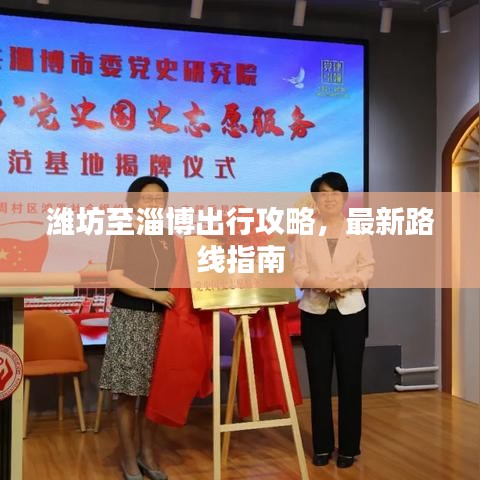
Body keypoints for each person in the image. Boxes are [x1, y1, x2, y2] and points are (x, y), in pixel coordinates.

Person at [293, 172, 374, 469]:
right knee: (318, 381)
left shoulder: (358, 230)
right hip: (315, 312)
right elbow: (298, 271)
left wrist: (346, 283)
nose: (329, 198)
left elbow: (367, 268)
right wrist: (321, 283)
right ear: (316, 198)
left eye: (335, 192)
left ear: (344, 197)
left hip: (350, 312)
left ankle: (349, 447)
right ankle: (322, 446)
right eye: (323, 193)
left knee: (351, 381)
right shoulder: (305, 231)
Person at [99, 176, 176, 480]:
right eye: (148, 198)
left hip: (162, 322)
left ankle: (147, 453)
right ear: (133, 201)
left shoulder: (167, 235)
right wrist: (153, 294)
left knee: (154, 393)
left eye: (160, 199)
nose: (154, 204)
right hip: (130, 319)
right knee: (128, 394)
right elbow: (115, 278)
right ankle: (129, 459)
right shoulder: (123, 231)